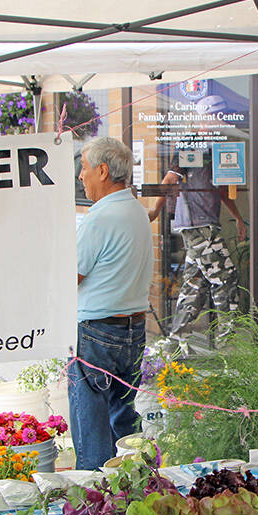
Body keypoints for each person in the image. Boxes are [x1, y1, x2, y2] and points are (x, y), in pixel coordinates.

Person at [69, 136, 154, 470]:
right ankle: (133, 493)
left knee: (92, 434)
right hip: (132, 331)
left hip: (97, 332)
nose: (80, 175)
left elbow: (69, 278)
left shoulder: (99, 218)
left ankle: (94, 507)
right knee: (124, 425)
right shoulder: (135, 210)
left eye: (85, 167)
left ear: (103, 171)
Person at [148, 149, 246, 344]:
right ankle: (228, 344)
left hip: (203, 225)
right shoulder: (191, 147)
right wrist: (155, 211)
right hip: (199, 227)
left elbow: (220, 191)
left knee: (195, 285)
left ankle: (176, 343)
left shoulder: (213, 149)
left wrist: (238, 218)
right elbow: (169, 180)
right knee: (225, 279)